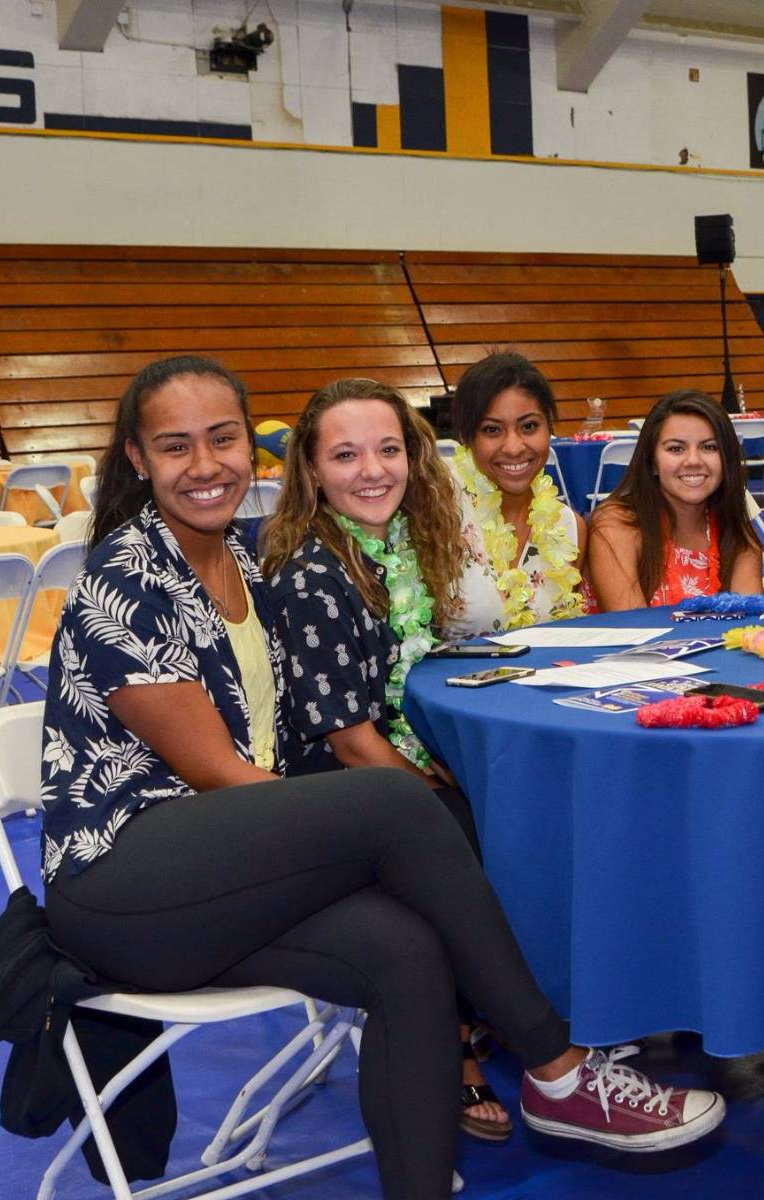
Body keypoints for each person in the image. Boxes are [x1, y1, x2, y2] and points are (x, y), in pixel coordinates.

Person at [43, 357, 724, 1200]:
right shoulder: (127, 577)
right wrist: (375, 839)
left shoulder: (244, 564)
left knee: (406, 954)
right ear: (139, 460)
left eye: (222, 439)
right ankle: (556, 1066)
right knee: (395, 803)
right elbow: (218, 774)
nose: (207, 464)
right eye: (175, 447)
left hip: (229, 882)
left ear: (253, 449)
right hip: (128, 884)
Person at [259, 377, 522, 1141]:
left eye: (388, 449)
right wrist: (431, 795)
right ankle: (457, 1045)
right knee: (458, 838)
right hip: (330, 795)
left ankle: (497, 1007)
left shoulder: (398, 546)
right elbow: (351, 741)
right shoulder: (313, 572)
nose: (372, 470)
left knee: (504, 808)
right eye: (345, 455)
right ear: (311, 472)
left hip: (381, 765)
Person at [443, 352, 589, 637]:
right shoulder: (439, 515)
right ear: (467, 437)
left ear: (550, 429)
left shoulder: (569, 529)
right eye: (492, 430)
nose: (513, 447)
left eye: (529, 426)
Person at [587, 389, 763, 610]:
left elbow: (748, 630)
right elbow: (632, 630)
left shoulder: (737, 535)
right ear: (652, 462)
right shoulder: (618, 524)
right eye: (676, 449)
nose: (693, 460)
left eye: (709, 447)